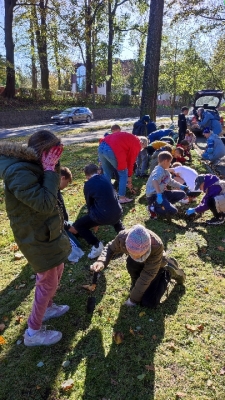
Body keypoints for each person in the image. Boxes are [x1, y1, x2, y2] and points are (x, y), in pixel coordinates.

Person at [0, 130, 71, 346]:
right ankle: (32, 332)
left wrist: (52, 168)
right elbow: (43, 203)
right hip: (35, 237)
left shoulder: (35, 164)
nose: (56, 159)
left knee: (58, 269)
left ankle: (47, 308)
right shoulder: (18, 172)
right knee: (46, 283)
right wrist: (50, 170)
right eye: (54, 154)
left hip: (47, 231)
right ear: (42, 151)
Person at [90, 224, 185, 306]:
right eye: (134, 255)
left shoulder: (157, 246)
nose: (137, 258)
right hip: (143, 265)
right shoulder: (122, 237)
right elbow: (110, 248)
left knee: (149, 302)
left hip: (156, 265)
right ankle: (137, 284)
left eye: (140, 255)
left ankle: (167, 272)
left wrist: (132, 300)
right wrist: (101, 261)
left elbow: (147, 275)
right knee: (131, 264)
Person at [70, 164, 124, 259]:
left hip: (103, 215)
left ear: (87, 176)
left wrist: (95, 220)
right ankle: (125, 238)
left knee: (79, 225)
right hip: (118, 211)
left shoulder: (88, 185)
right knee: (115, 219)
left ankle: (96, 244)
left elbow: (89, 204)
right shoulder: (105, 178)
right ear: (98, 171)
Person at [98, 131, 141, 203]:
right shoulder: (137, 143)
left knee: (107, 173)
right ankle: (122, 197)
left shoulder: (129, 137)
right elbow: (131, 161)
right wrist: (129, 176)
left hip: (101, 146)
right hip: (112, 149)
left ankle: (107, 195)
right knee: (123, 174)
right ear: (142, 143)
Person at [146, 151, 187, 219]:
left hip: (162, 193)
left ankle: (163, 204)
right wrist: (158, 194)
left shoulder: (165, 171)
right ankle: (153, 208)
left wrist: (181, 186)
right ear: (165, 161)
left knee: (182, 194)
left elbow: (170, 181)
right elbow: (154, 180)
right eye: (170, 162)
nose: (170, 164)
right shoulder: (158, 170)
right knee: (173, 211)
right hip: (154, 195)